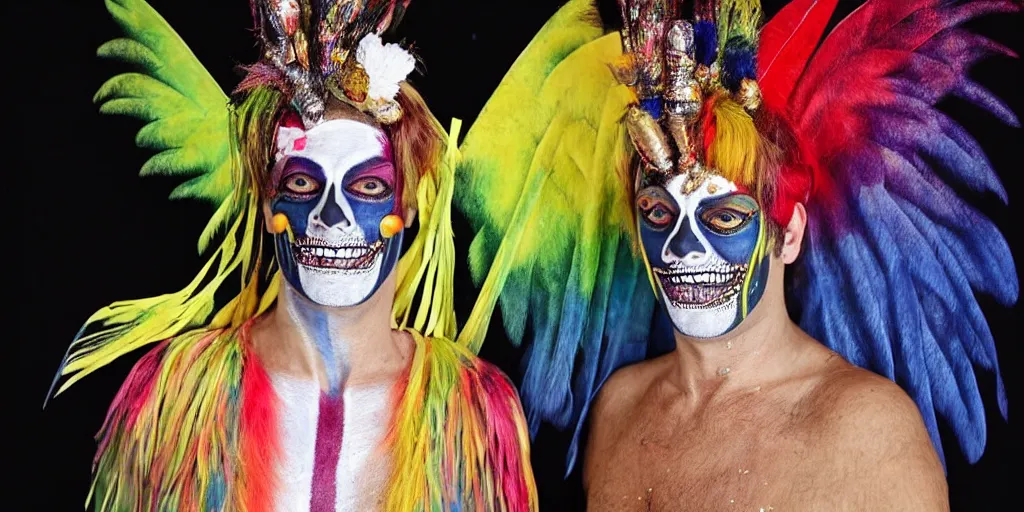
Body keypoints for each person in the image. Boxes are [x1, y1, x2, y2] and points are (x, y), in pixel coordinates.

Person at [452, 0, 1017, 509]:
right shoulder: (616, 410)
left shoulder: (868, 432)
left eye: (724, 218)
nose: (682, 246)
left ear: (788, 233)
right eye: (658, 215)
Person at [45, 1, 537, 511]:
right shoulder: (174, 398)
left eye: (368, 185)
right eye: (302, 182)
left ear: (407, 205)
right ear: (266, 203)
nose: (332, 214)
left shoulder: (477, 415)